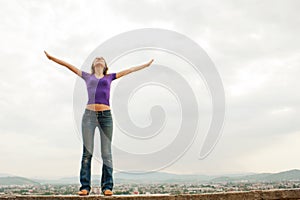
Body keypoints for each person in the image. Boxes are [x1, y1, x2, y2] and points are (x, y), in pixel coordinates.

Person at [44, 51, 154, 196]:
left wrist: (146, 65)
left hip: (105, 117)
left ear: (104, 65)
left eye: (101, 59)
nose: (99, 59)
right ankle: (85, 187)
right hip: (88, 116)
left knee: (106, 154)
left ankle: (107, 187)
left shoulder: (110, 77)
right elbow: (68, 66)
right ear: (93, 65)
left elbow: (130, 70)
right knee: (87, 154)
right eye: (96, 59)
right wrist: (52, 58)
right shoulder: (87, 76)